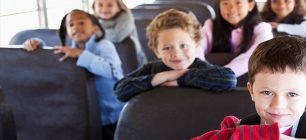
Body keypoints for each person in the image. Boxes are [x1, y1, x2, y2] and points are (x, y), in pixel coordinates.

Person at [193, 36, 306, 140]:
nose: (278, 105)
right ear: (252, 91)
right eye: (267, 92)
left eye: (292, 94)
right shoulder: (235, 129)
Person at [23, 9, 124, 140]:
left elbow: (110, 70)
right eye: (71, 25)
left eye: (81, 22)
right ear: (69, 33)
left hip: (112, 113)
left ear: (94, 28)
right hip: (88, 114)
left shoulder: (104, 45)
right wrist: (38, 45)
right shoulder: (71, 48)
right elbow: (55, 58)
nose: (76, 26)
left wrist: (81, 55)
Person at [114, 9, 237, 102]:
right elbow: (120, 90)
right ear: (156, 51)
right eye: (167, 48)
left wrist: (182, 78)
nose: (177, 54)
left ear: (197, 44)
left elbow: (229, 79)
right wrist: (163, 77)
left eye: (183, 46)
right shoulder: (150, 70)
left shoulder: (202, 69)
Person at [198, 0, 273, 77]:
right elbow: (196, 48)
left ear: (251, 5)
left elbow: (259, 54)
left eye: (238, 3)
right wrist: (202, 71)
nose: (231, 9)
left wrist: (221, 75)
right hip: (208, 80)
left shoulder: (262, 28)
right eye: (225, 3)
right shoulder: (210, 25)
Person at [92, 0, 147, 67]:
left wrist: (96, 32)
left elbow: (117, 36)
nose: (104, 9)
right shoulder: (94, 21)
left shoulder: (126, 18)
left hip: (132, 59)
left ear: (119, 7)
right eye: (100, 5)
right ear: (94, 7)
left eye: (110, 5)